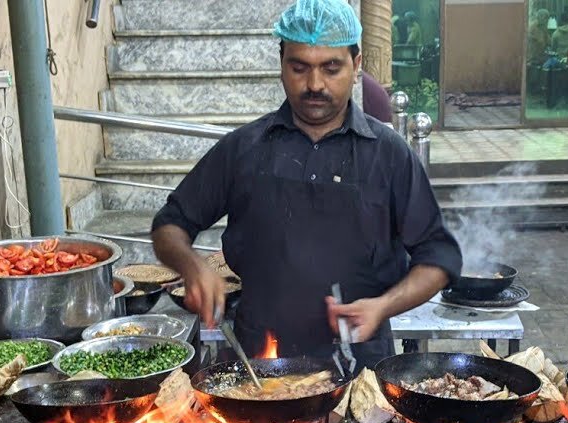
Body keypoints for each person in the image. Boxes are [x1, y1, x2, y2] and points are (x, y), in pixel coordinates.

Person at [150, 0, 462, 367]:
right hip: (259, 364)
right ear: (281, 66)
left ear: (356, 65)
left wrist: (382, 306)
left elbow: (439, 258)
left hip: (361, 366)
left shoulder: (389, 154)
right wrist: (193, 267)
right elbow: (169, 225)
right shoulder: (244, 148)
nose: (315, 84)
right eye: (300, 68)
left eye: (331, 68)